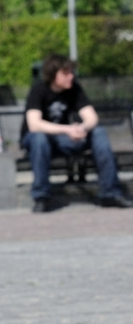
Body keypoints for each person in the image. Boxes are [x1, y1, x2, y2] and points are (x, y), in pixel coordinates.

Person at [23, 54, 128, 211]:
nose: (71, 76)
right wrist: (68, 129)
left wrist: (82, 128)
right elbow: (34, 124)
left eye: (71, 72)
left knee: (98, 133)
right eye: (66, 73)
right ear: (53, 75)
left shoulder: (75, 89)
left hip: (65, 139)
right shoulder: (39, 90)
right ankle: (42, 197)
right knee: (39, 139)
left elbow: (92, 117)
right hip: (41, 139)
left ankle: (110, 194)